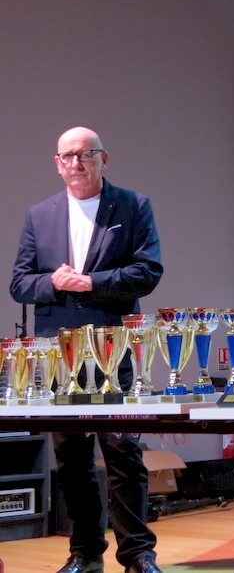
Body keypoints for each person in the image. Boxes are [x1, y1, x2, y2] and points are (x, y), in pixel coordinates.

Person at [10, 127, 164, 573]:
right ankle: (85, 553)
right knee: (72, 458)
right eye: (68, 156)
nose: (76, 163)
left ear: (103, 159)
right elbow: (19, 283)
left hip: (114, 347)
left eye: (86, 154)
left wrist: (92, 282)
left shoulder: (133, 205)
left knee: (124, 453)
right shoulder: (39, 215)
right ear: (57, 163)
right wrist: (53, 282)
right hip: (60, 353)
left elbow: (148, 272)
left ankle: (138, 555)